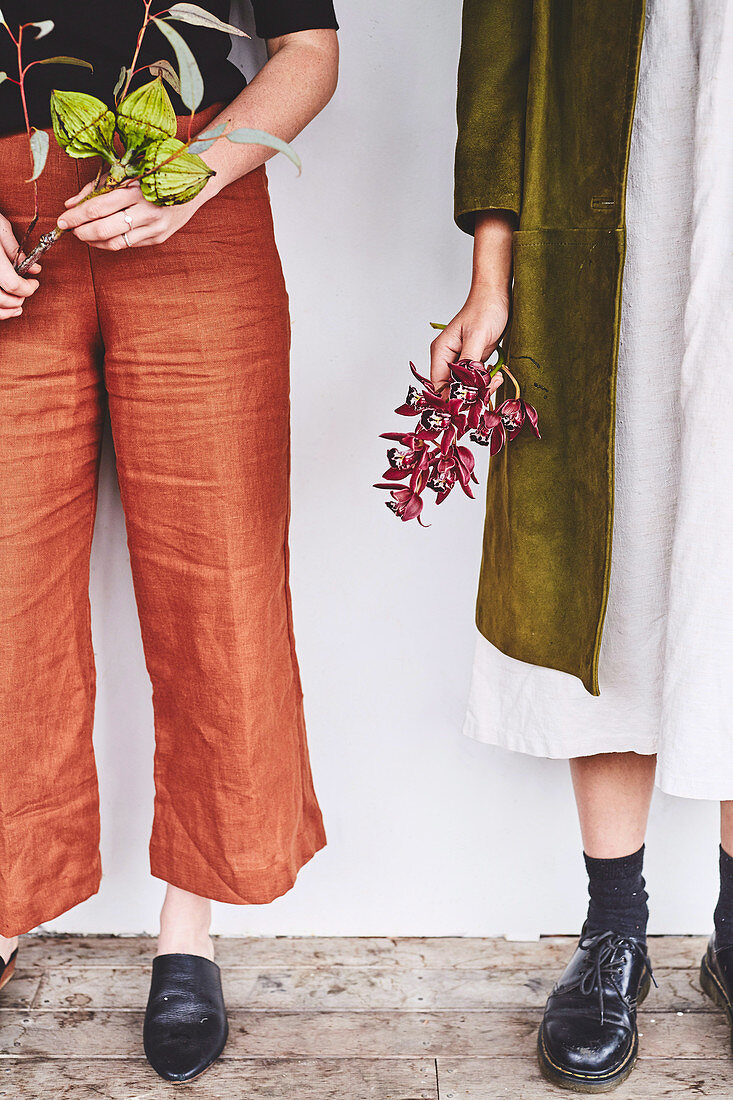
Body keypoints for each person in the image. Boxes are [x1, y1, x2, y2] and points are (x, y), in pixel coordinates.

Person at [0, 0, 338, 1083]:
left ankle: (187, 924)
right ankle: (4, 902)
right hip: (8, 223)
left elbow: (308, 51)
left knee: (216, 574)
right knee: (6, 592)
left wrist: (201, 173)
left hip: (194, 192)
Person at [436, 0, 732, 1091]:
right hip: (612, 179)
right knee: (608, 554)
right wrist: (491, 268)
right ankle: (615, 931)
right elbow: (502, 37)